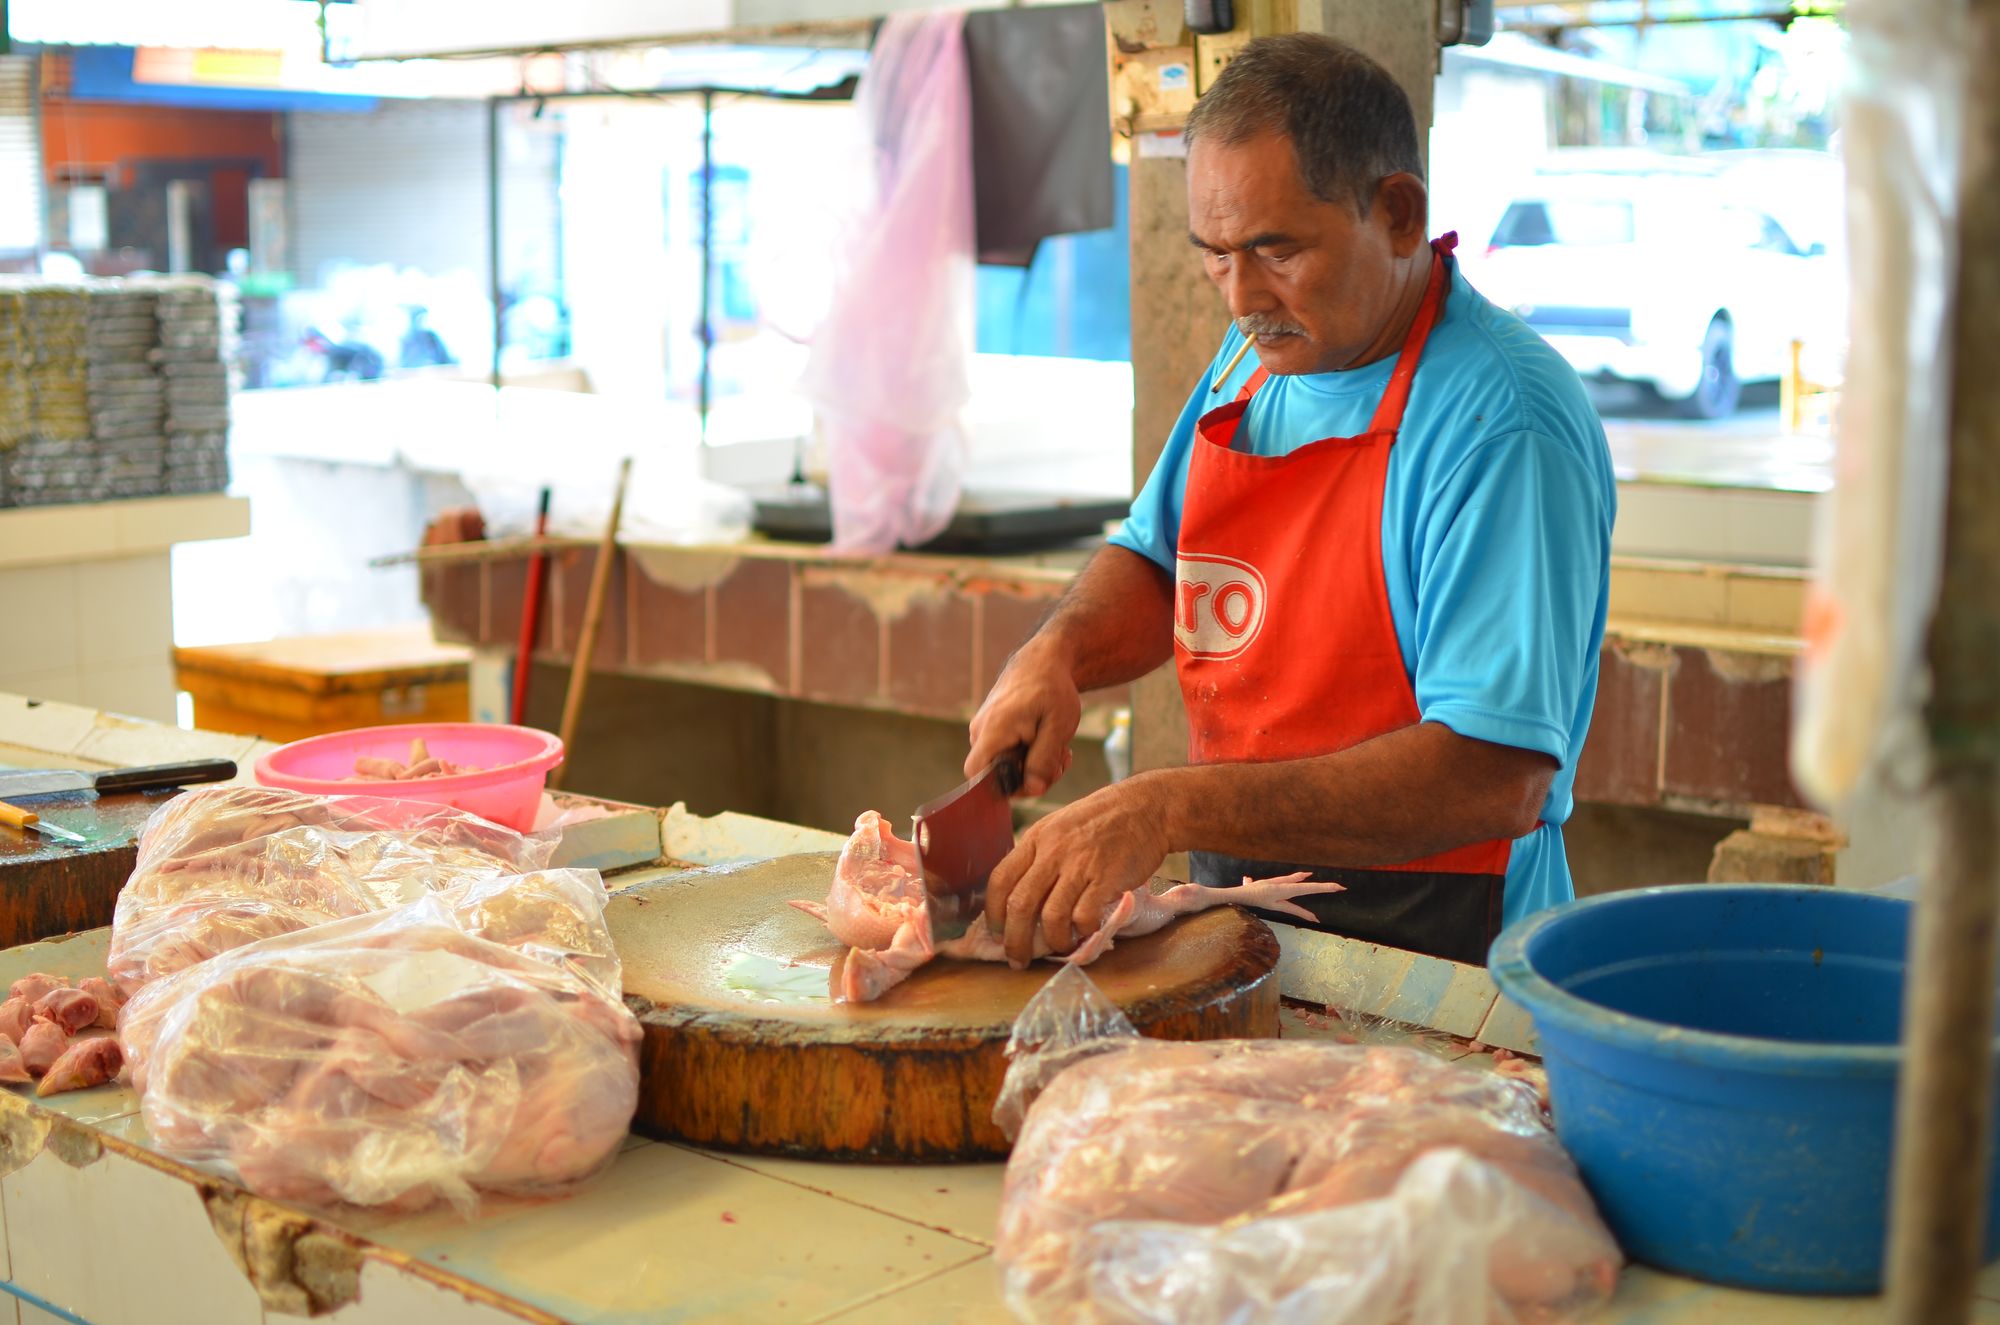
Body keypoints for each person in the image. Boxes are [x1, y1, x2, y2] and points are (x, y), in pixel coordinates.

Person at [964, 33, 1615, 969]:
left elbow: (1493, 776)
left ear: (1398, 212)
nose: (1240, 296)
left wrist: (1167, 804)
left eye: (1275, 250)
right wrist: (1056, 652)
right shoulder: (1264, 355)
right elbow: (1159, 558)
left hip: (1443, 953)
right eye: (1215, 255)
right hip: (1252, 925)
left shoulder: (1503, 424)